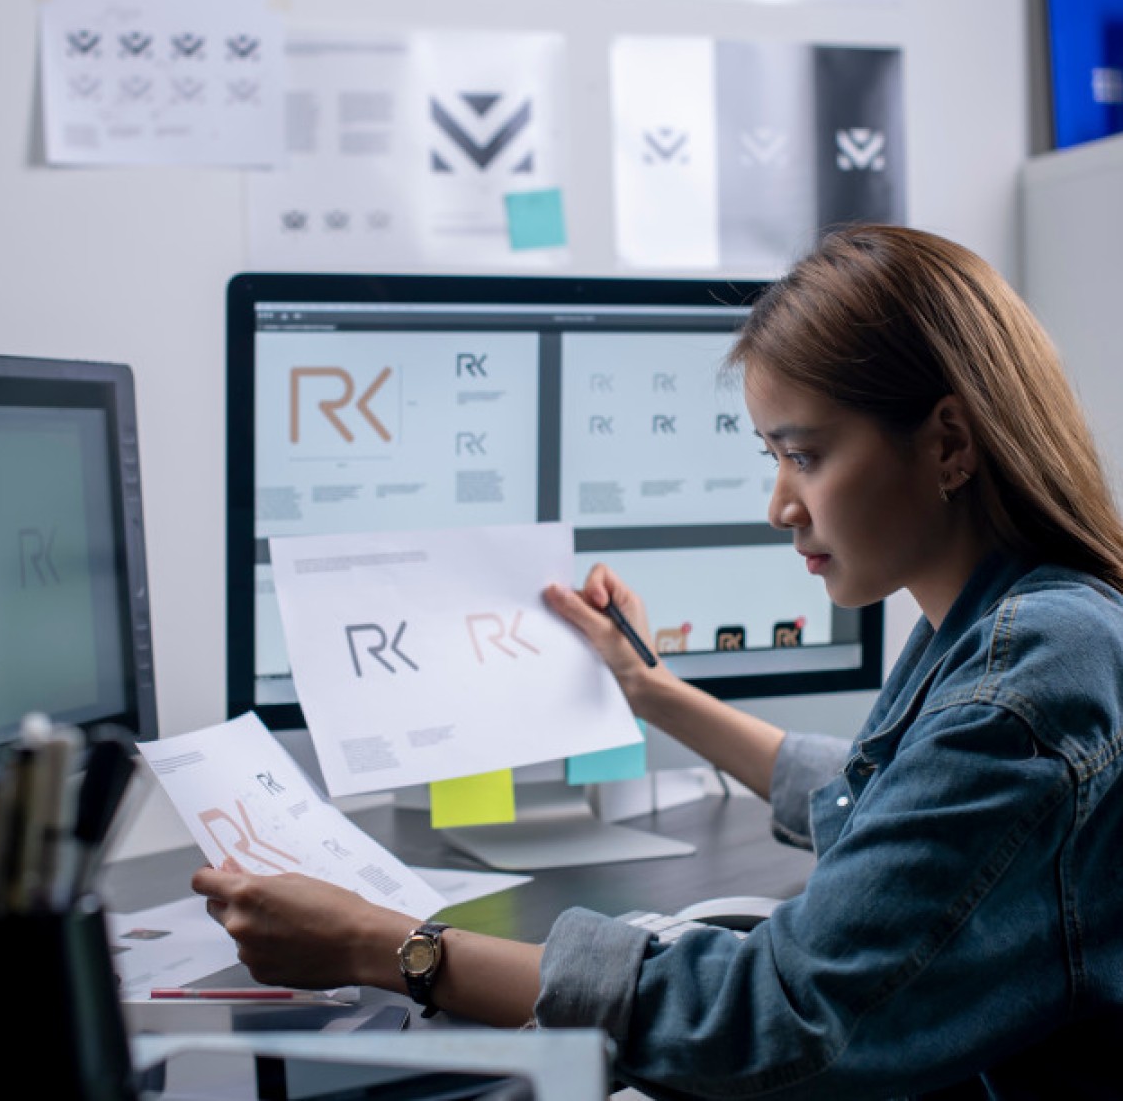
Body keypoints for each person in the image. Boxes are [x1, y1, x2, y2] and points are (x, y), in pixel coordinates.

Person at [193, 224, 1123, 1099]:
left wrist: (388, 947)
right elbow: (893, 800)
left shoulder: (1029, 677)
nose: (779, 506)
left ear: (949, 442)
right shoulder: (1021, 624)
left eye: (803, 456)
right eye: (771, 457)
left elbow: (775, 1016)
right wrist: (651, 691)